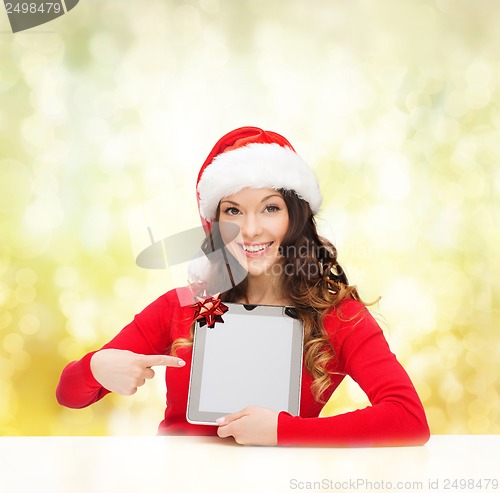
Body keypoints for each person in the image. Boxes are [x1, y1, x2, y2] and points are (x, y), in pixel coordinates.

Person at [56, 126, 430, 447]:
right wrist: (95, 368)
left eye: (270, 208)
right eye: (233, 210)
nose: (250, 230)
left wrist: (285, 431)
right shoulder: (183, 306)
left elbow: (408, 419)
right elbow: (69, 394)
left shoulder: (337, 315)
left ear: (295, 216)